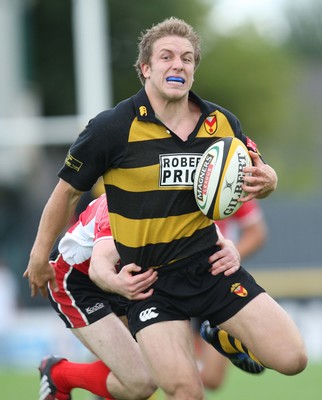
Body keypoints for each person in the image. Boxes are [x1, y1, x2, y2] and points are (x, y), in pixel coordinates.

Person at [25, 17, 307, 400]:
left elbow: (259, 172)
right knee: (178, 390)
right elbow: (67, 194)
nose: (178, 65)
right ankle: (61, 375)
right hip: (151, 284)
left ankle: (220, 332)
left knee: (294, 359)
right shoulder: (112, 128)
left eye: (187, 58)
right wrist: (40, 254)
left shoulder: (221, 123)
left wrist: (270, 181)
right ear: (146, 68)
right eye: (167, 57)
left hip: (208, 266)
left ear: (194, 69)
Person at [27, 193, 240, 400]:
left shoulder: (174, 195)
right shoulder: (128, 201)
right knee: (142, 382)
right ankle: (59, 375)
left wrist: (225, 244)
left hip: (128, 276)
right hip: (76, 282)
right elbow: (98, 266)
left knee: (152, 375)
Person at [194, 199, 267, 392]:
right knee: (174, 373)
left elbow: (256, 232)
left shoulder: (225, 178)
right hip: (170, 280)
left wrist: (228, 258)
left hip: (215, 283)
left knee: (211, 379)